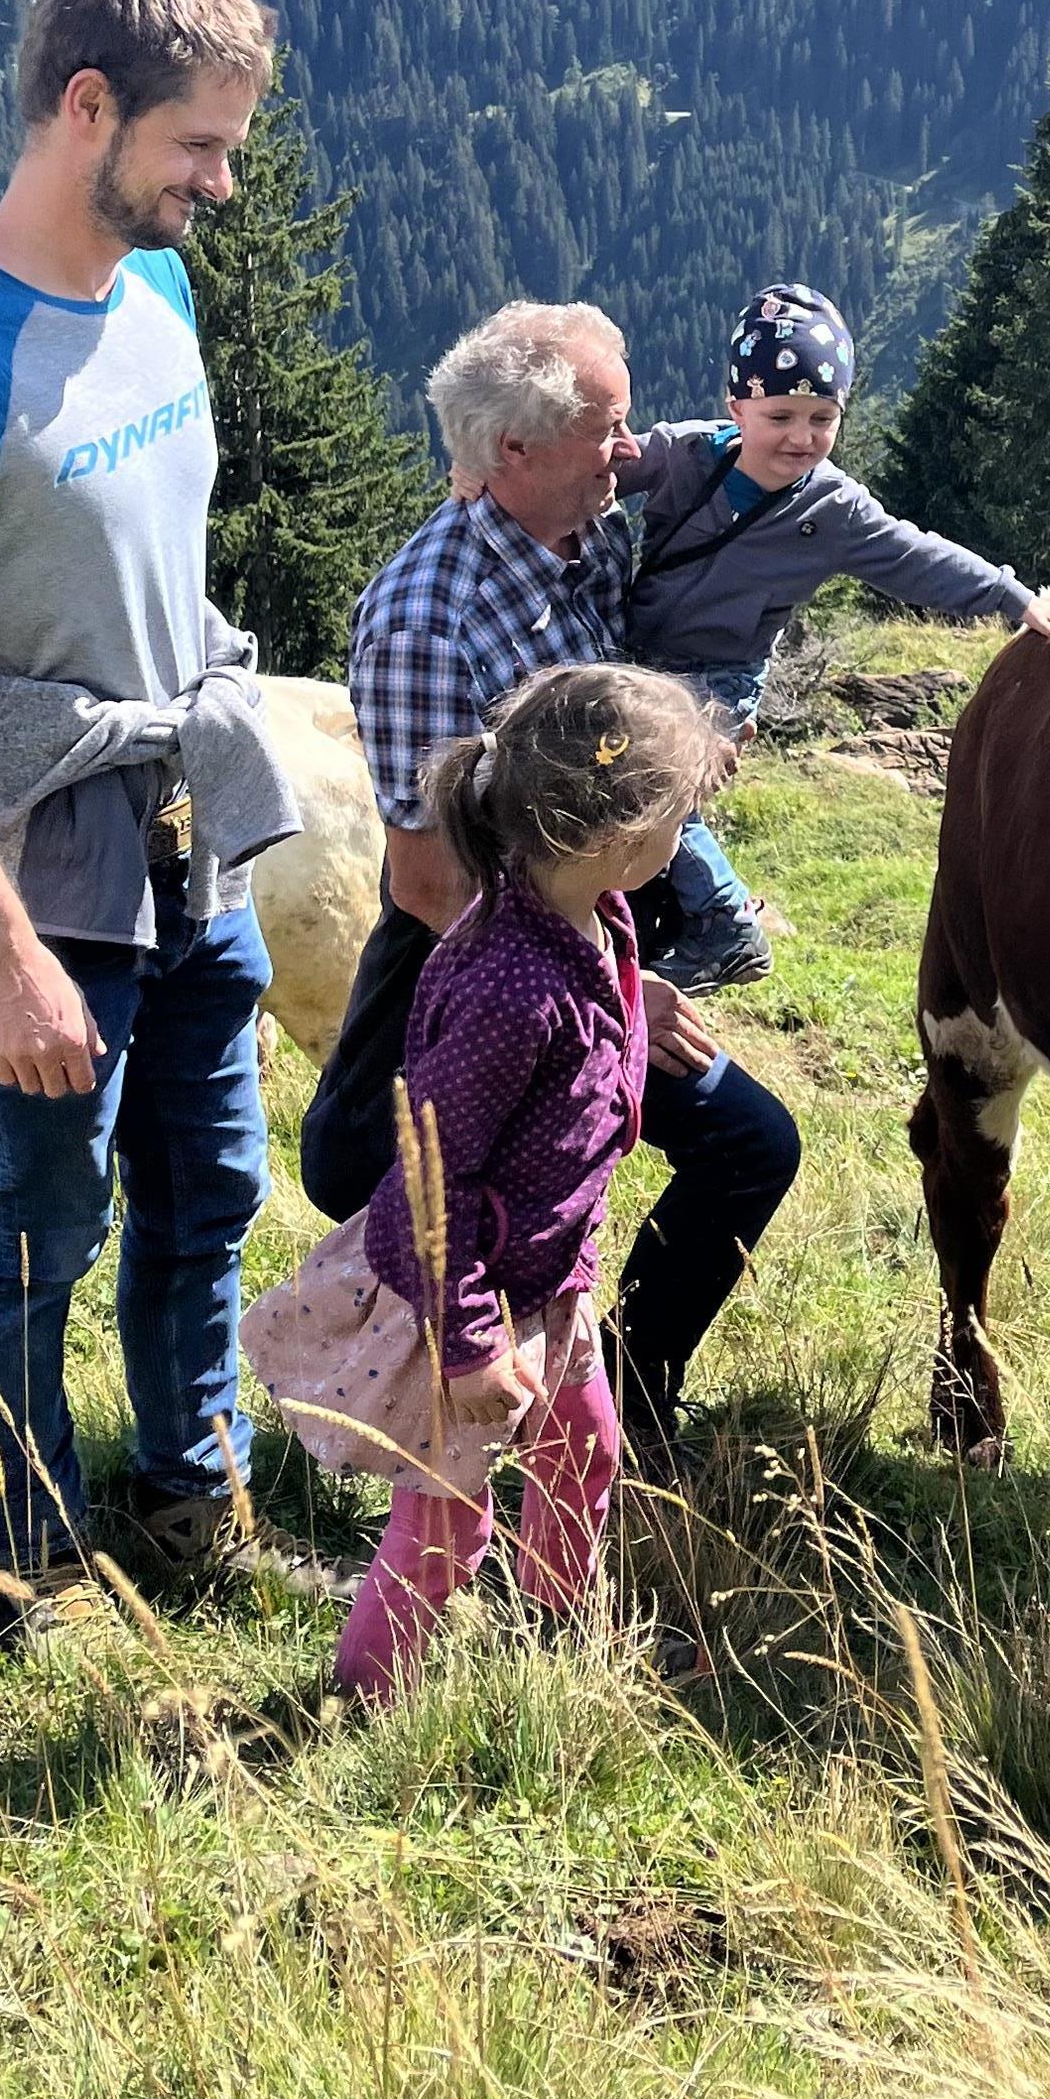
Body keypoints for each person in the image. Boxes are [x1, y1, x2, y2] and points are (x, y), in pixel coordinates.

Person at [0, 0, 305, 1618]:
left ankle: (190, 1497)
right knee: (41, 1227)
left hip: (176, 832)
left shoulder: (153, 296)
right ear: (85, 107)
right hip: (31, 866)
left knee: (211, 1182)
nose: (222, 184)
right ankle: (14, 1555)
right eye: (200, 146)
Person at [301, 299, 800, 1457]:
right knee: (389, 1177)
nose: (632, 449)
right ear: (513, 452)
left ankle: (620, 1390)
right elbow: (431, 882)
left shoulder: (591, 534)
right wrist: (614, 995)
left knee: (749, 1145)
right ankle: (418, 1397)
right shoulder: (429, 615)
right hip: (480, 982)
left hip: (594, 936)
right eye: (610, 428)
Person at [331, 661, 723, 1704]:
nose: (686, 834)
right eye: (680, 812)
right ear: (619, 831)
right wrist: (465, 1345)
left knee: (585, 1450)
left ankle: (557, 1630)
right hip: (472, 1301)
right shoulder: (509, 984)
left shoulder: (602, 919)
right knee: (445, 1524)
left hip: (550, 1278)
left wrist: (574, 1266)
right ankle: (365, 1702)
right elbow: (430, 1183)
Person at [621, 282, 1050, 990]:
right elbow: (593, 464)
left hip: (724, 674)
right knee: (636, 784)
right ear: (737, 408)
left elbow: (916, 557)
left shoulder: (835, 510)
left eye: (823, 417)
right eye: (780, 415)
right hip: (642, 660)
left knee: (656, 787)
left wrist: (1009, 596)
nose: (802, 437)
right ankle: (657, 912)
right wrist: (485, 467)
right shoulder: (682, 457)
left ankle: (727, 926)